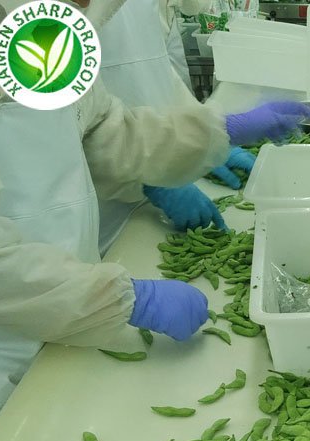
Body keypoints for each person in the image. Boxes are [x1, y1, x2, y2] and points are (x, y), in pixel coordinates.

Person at [0, 0, 310, 418]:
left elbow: (109, 134)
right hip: (3, 343)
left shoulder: (43, 30)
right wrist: (129, 300)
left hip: (68, 310)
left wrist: (219, 131)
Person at [96, 0, 255, 252]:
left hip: (149, 175)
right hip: (94, 208)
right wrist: (147, 181)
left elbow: (155, 71)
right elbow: (71, 120)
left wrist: (202, 142)